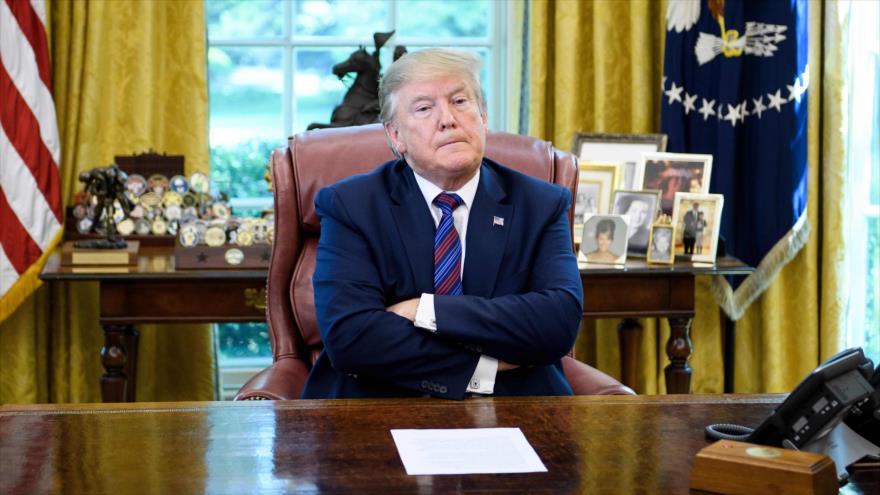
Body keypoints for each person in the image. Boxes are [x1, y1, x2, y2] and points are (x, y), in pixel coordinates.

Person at [302, 48, 583, 400]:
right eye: (423, 108)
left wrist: (425, 309)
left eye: (460, 101)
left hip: (516, 403)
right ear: (395, 136)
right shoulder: (352, 205)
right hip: (377, 402)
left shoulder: (540, 204)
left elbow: (557, 324)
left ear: (483, 116)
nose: (447, 119)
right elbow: (351, 337)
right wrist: (484, 368)